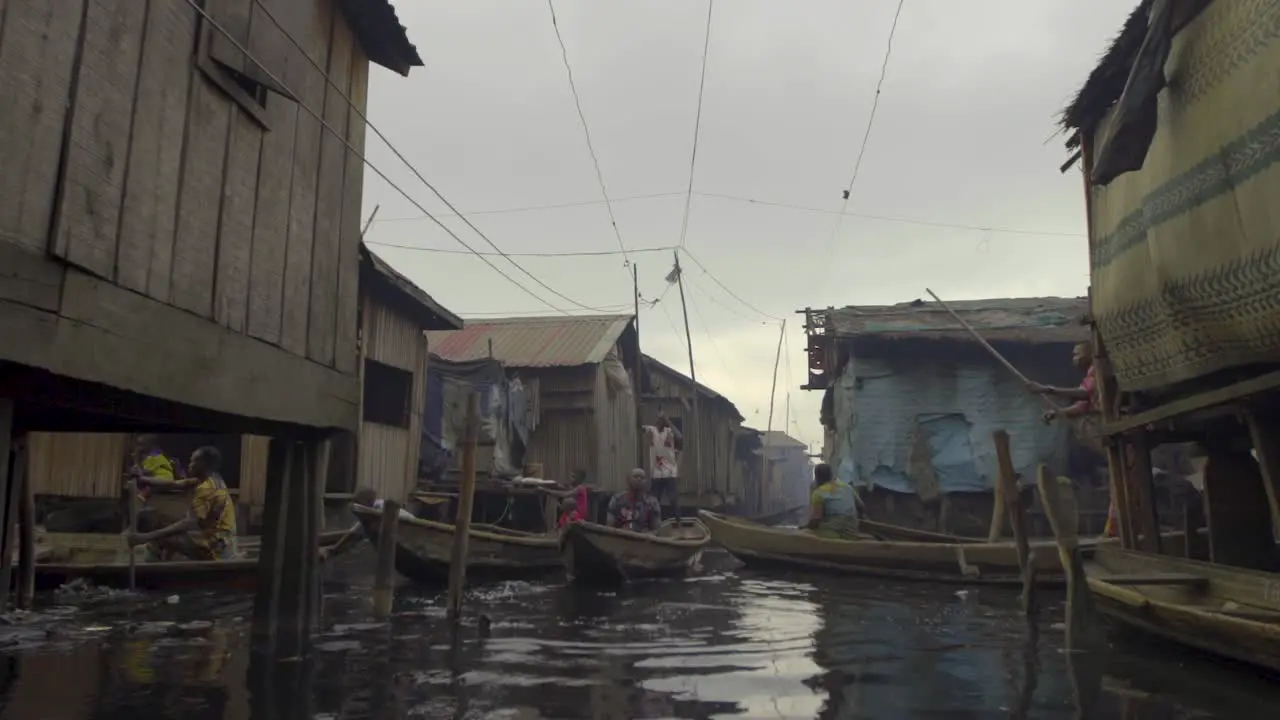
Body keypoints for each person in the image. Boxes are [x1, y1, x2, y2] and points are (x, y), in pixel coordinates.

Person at [1027, 341, 1116, 536]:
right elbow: (1082, 405)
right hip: (1099, 425)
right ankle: (1114, 528)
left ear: (1090, 354)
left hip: (1107, 425)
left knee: (1118, 478)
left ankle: (1116, 528)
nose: (1073, 358)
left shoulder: (1098, 372)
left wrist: (1047, 389)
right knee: (1115, 479)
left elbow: (1085, 395)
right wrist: (1058, 413)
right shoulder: (1091, 375)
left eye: (1077, 354)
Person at [127, 446, 238, 561]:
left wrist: (145, 537)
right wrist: (142, 478)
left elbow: (188, 523)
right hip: (213, 537)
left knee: (160, 534)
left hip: (215, 548)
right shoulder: (209, 479)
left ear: (203, 464)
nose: (189, 464)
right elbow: (173, 484)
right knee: (158, 523)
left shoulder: (207, 489)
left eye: (193, 461)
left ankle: (155, 570)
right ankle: (164, 560)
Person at [320, 487, 416, 561]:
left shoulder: (379, 510)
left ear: (368, 501)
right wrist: (331, 550)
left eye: (358, 502)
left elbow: (355, 533)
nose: (356, 505)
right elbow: (353, 535)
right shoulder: (370, 516)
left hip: (412, 529)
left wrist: (331, 550)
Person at [642, 412, 682, 514]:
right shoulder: (652, 430)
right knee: (654, 500)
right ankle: (654, 521)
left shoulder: (669, 432)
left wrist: (668, 421)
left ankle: (679, 522)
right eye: (658, 419)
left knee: (673, 499)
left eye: (661, 420)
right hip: (656, 472)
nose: (659, 422)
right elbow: (640, 428)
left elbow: (680, 437)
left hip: (669, 471)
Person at [807, 463, 860, 539]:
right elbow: (861, 506)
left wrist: (806, 527)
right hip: (852, 532)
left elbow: (816, 518)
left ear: (817, 478)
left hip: (832, 532)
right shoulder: (847, 487)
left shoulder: (818, 493)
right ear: (831, 475)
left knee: (809, 534)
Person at [606, 469, 662, 533]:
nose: (639, 479)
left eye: (642, 478)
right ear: (628, 480)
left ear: (646, 482)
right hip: (620, 537)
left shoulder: (652, 502)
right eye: (635, 477)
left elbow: (656, 529)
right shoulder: (616, 500)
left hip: (643, 539)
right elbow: (609, 527)